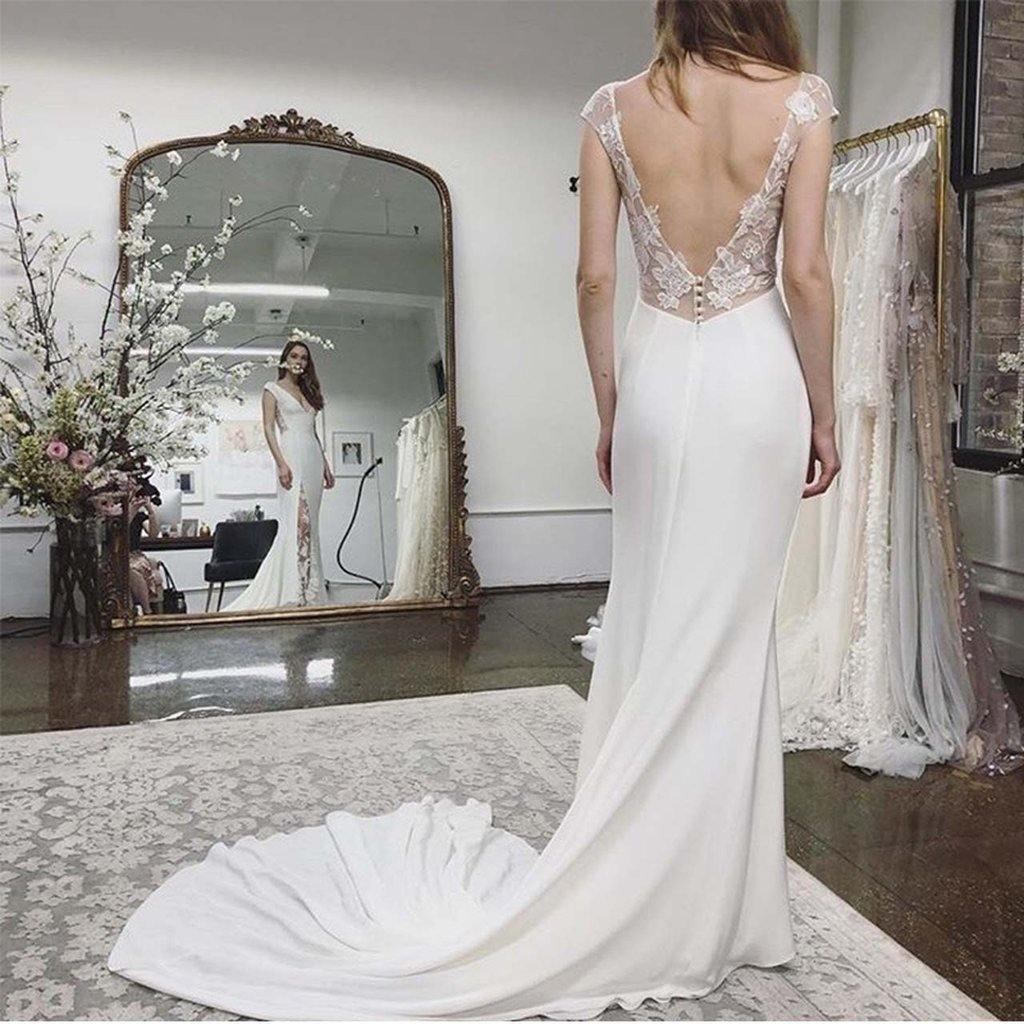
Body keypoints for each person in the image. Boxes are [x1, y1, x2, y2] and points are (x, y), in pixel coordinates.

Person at [107, 1, 841, 1016]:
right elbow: (803, 273)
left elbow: (595, 278)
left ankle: (670, 869)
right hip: (759, 379)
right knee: (731, 630)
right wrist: (823, 408)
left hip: (658, 378)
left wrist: (610, 407)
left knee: (655, 614)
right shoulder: (800, 100)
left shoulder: (614, 107)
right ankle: (723, 898)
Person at [220, 339, 335, 612]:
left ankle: (309, 591)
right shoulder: (272, 389)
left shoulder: (309, 392)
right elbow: (269, 429)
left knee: (311, 527)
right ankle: (291, 589)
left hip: (313, 458)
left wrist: (326, 465)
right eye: (294, 356)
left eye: (304, 358)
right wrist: (281, 463)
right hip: (291, 456)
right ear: (285, 359)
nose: (299, 361)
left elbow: (313, 432)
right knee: (297, 523)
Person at [127, 481, 164, 615]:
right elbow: (119, 532)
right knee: (132, 571)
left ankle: (147, 611)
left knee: (139, 566)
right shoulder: (117, 513)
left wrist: (150, 511)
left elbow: (153, 534)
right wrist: (131, 511)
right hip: (120, 555)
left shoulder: (140, 516)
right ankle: (147, 610)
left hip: (135, 555)